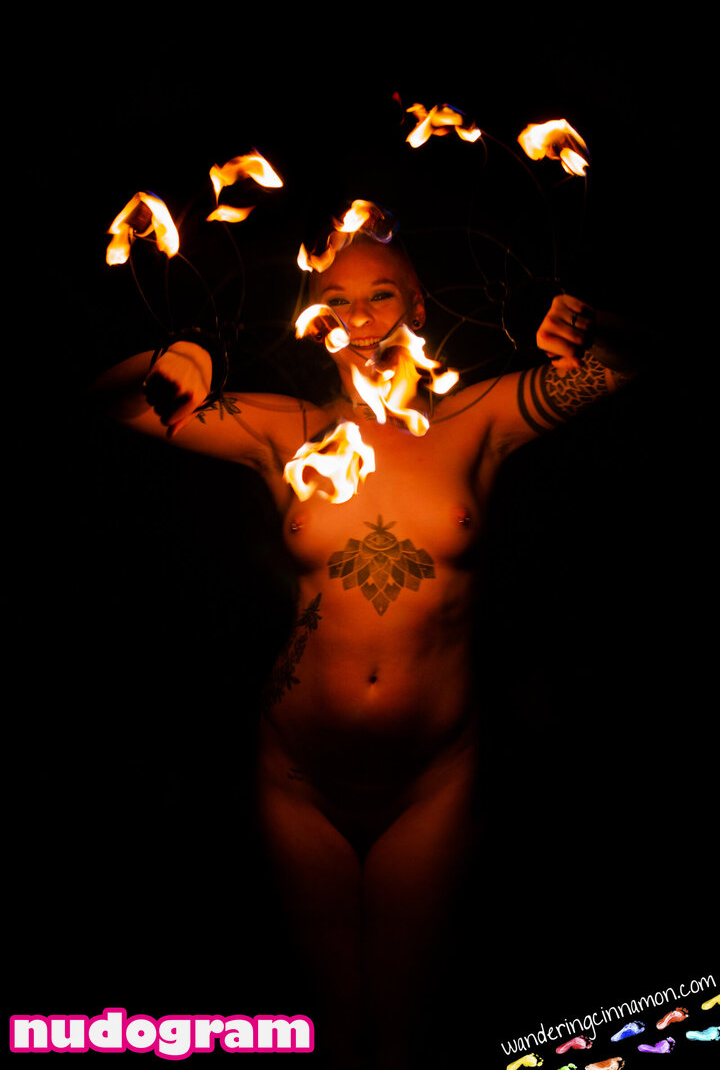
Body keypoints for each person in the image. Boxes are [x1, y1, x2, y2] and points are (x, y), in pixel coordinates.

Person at [93, 232, 636, 1068]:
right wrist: (178, 360)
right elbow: (113, 403)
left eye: (381, 295)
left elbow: (627, 368)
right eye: (336, 303)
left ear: (416, 307)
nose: (361, 320)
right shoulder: (288, 432)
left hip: (432, 784)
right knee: (333, 1033)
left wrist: (592, 328)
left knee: (403, 1039)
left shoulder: (479, 419)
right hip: (298, 782)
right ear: (317, 323)